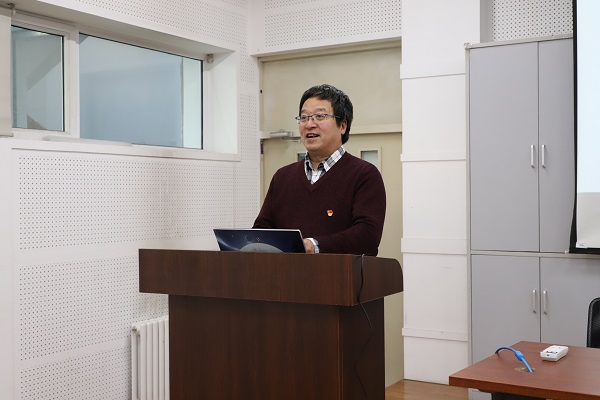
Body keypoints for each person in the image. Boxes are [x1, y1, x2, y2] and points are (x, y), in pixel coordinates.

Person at [253, 84, 386, 256]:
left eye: (320, 116)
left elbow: (367, 236)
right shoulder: (282, 177)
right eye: (304, 117)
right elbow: (263, 229)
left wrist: (314, 245)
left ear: (343, 125)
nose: (309, 124)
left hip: (340, 272)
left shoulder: (364, 175)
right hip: (286, 272)